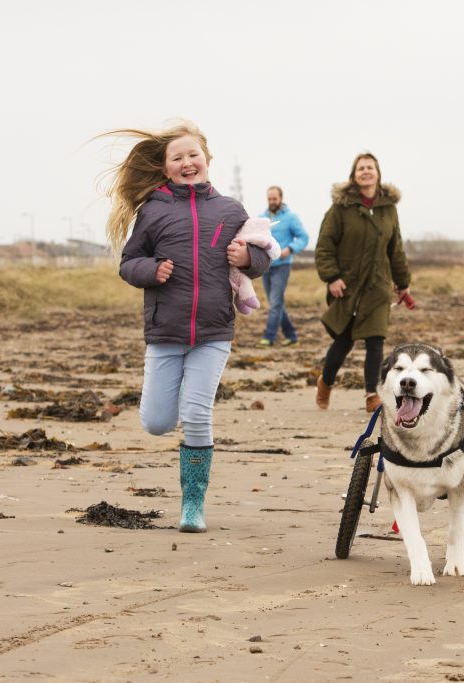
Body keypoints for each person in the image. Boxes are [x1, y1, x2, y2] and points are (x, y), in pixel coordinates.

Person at [104, 122, 271, 533]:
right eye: (176, 158)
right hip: (165, 331)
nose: (186, 162)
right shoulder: (153, 211)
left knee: (197, 414)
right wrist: (151, 270)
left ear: (207, 160)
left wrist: (246, 258)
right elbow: (128, 262)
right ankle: (174, 401)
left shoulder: (231, 211)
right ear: (165, 169)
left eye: (192, 155)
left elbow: (264, 258)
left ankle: (192, 506)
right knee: (157, 423)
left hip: (214, 332)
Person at [315, 152, 411, 413]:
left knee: (375, 340)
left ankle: (372, 394)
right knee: (344, 340)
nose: (366, 171)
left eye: (370, 167)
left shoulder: (388, 209)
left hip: (378, 287)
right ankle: (325, 381)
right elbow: (324, 247)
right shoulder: (341, 209)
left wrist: (402, 283)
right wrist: (332, 277)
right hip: (348, 286)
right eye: (361, 168)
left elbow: (396, 248)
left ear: (378, 173)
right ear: (354, 175)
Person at [257, 186, 308, 347]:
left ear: (281, 198)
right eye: (269, 199)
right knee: (277, 303)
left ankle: (269, 337)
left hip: (282, 266)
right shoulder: (261, 218)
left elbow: (303, 237)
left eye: (275, 199)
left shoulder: (291, 218)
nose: (272, 202)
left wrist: (291, 249)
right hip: (266, 266)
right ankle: (291, 336)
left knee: (275, 303)